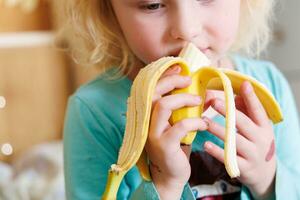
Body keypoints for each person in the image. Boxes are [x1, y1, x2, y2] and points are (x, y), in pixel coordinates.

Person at [62, 0, 300, 199]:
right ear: (108, 11)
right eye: (152, 5)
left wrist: (268, 178)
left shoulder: (270, 86)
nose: (187, 29)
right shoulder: (93, 112)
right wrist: (164, 183)